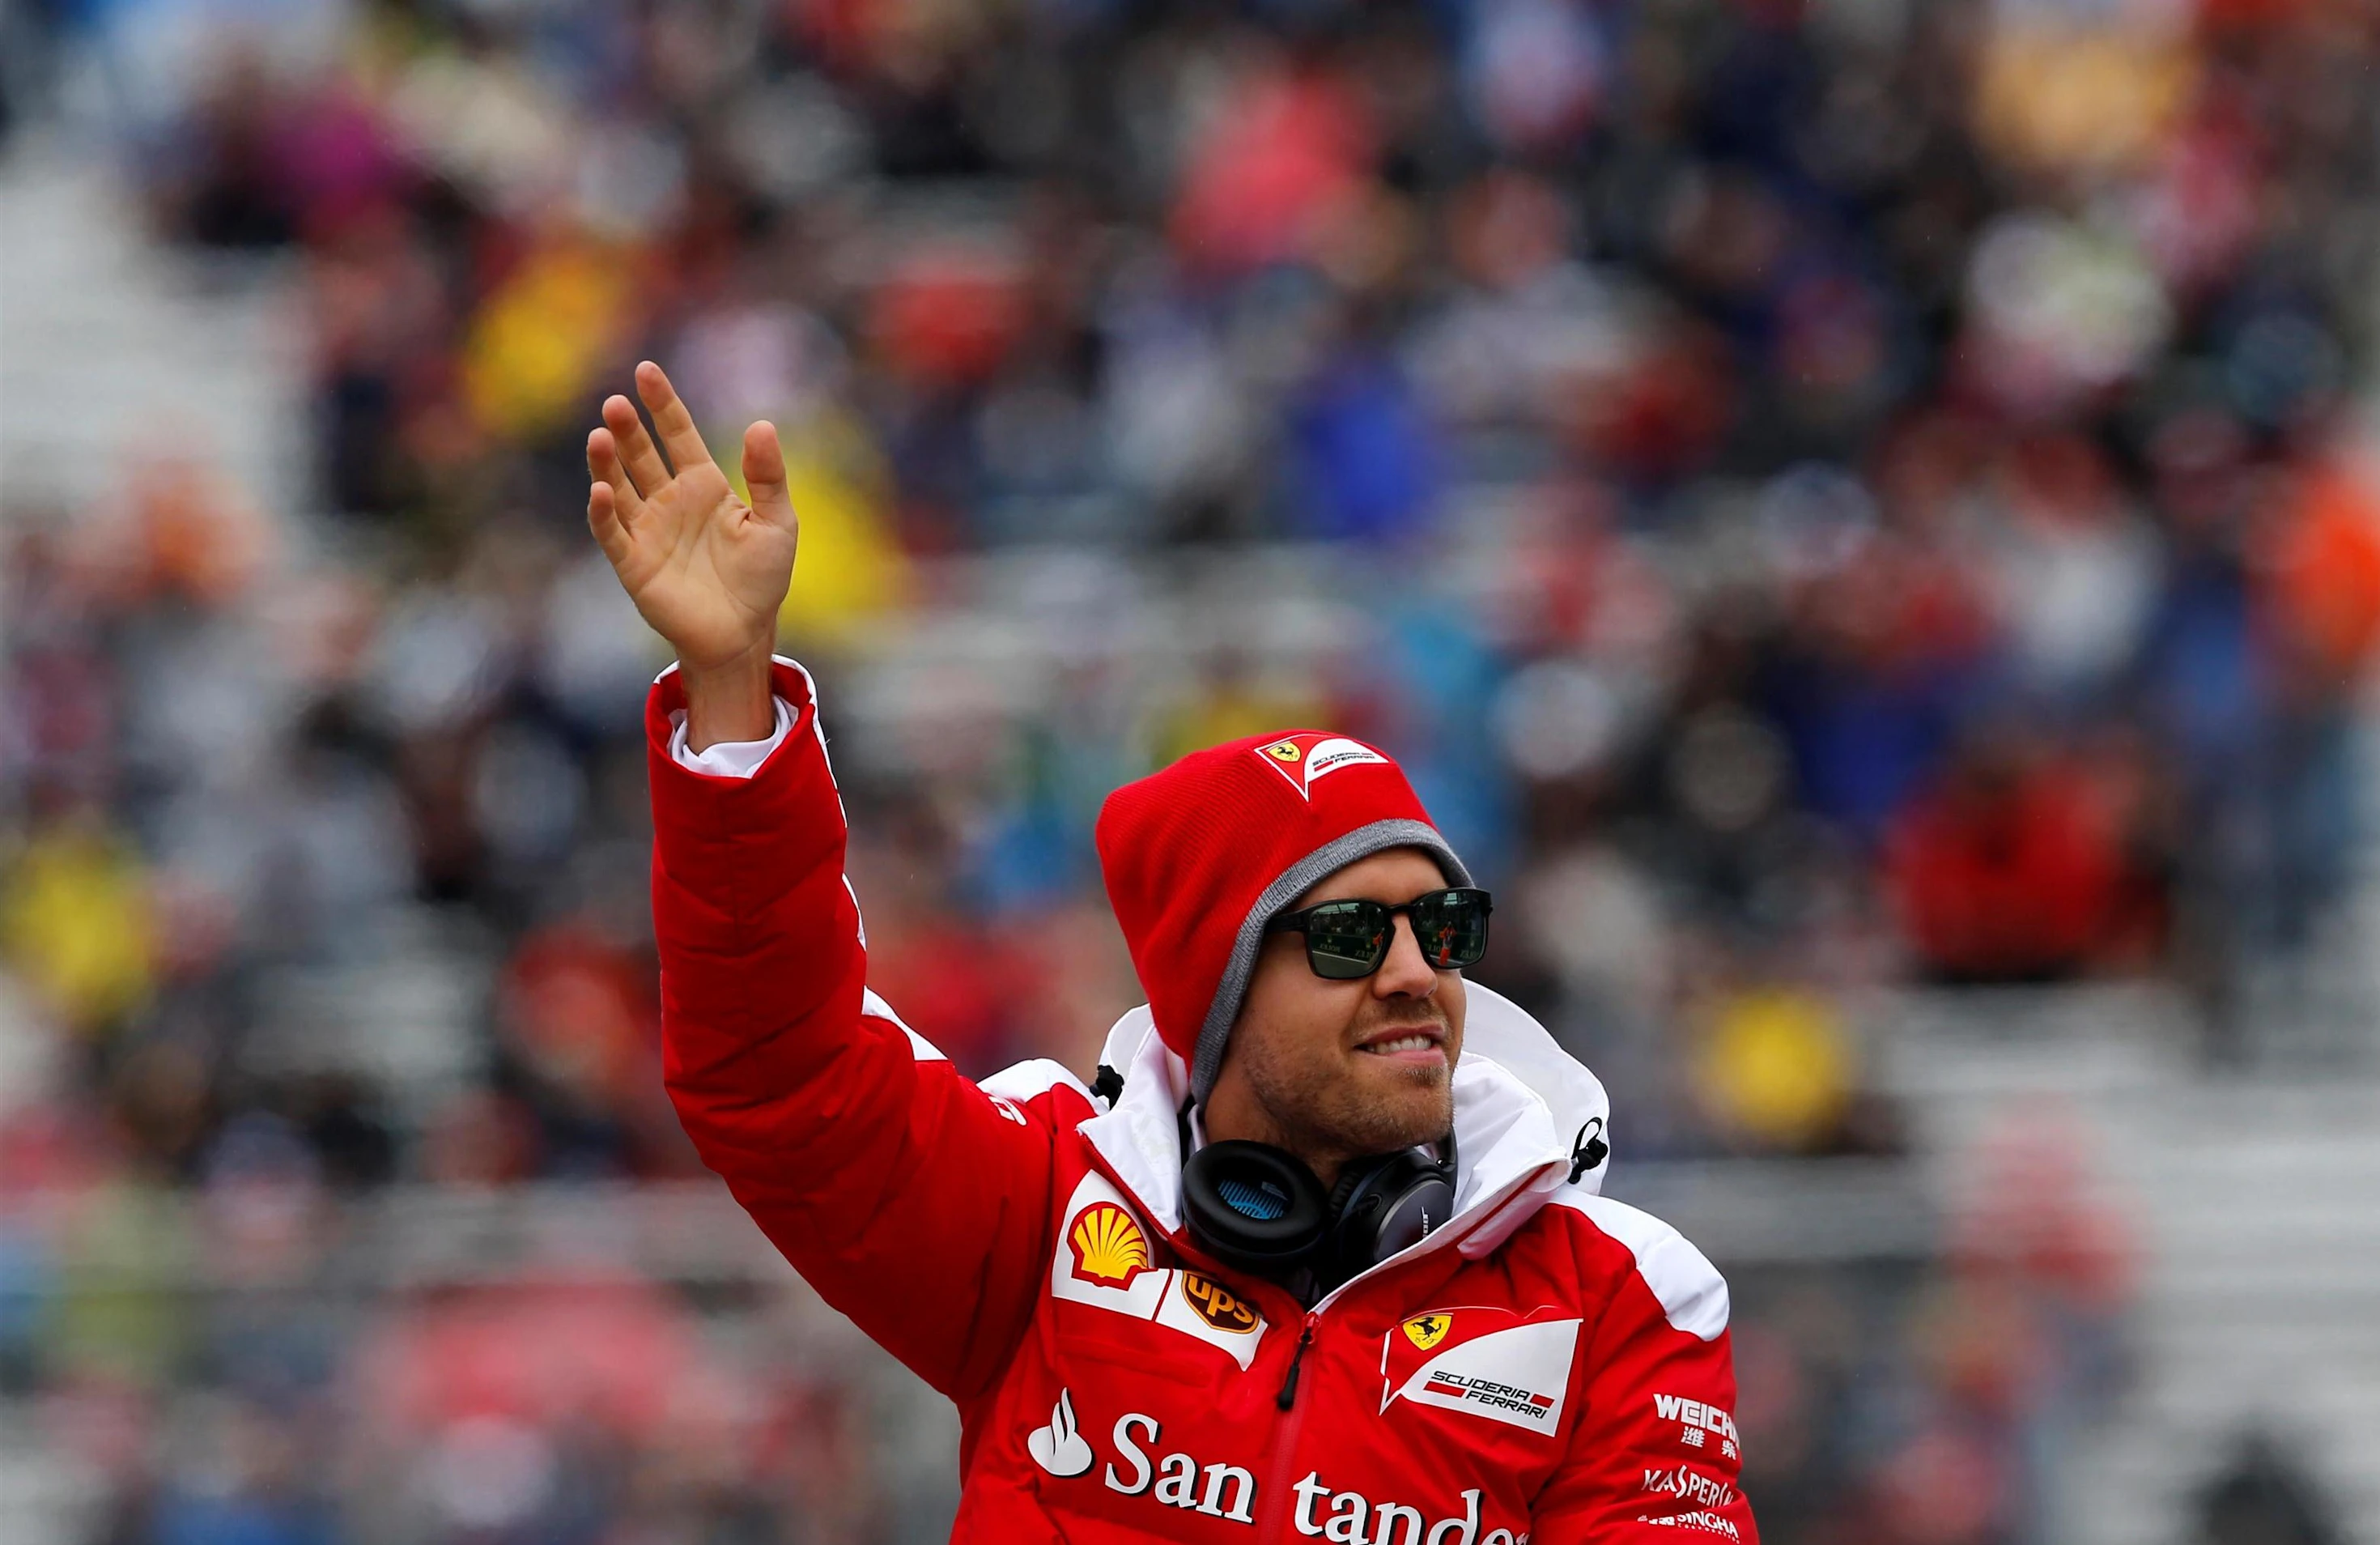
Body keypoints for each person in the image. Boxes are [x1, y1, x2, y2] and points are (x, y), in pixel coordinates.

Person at [581, 361, 1758, 1542]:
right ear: (1221, 994)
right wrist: (731, 690)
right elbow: (778, 1076)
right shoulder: (1044, 1201)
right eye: (1349, 937)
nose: (1416, 971)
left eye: (1442, 927)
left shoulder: (1621, 1297)